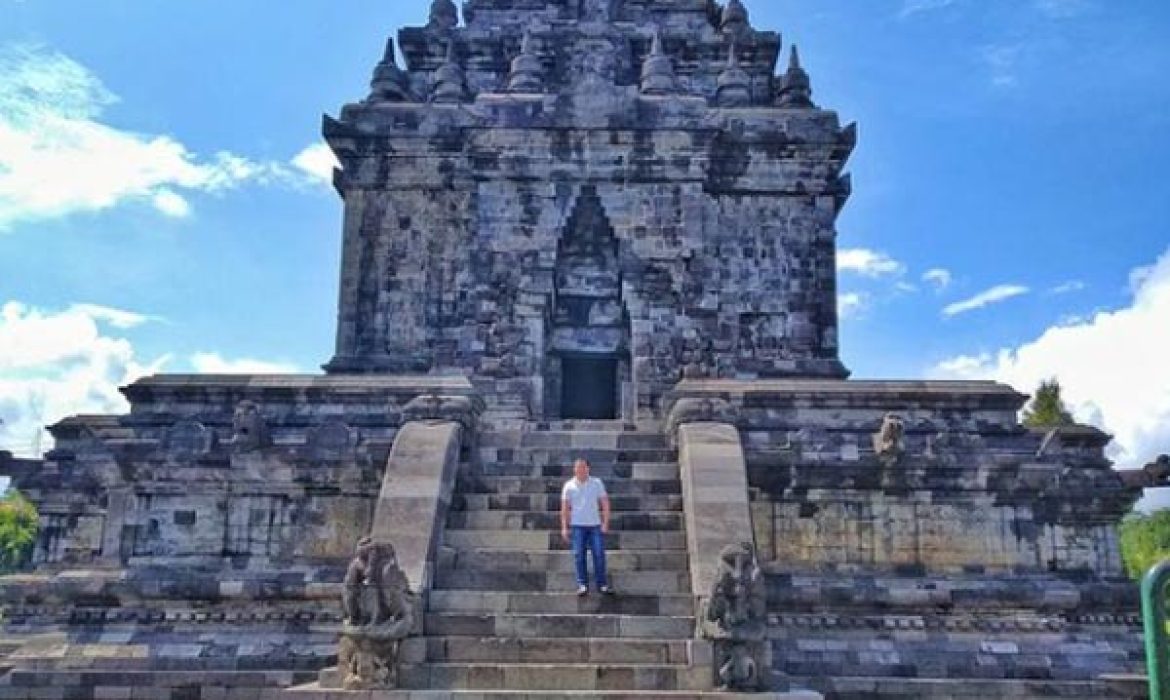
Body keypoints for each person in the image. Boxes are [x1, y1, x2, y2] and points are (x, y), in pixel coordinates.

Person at [560, 458, 614, 596]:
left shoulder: (596, 483)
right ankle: (582, 584)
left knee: (599, 554)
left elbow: (605, 503)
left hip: (594, 525)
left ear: (588, 468)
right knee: (579, 555)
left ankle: (602, 584)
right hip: (577, 525)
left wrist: (605, 522)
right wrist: (564, 527)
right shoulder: (569, 485)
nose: (580, 470)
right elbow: (565, 508)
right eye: (577, 467)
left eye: (583, 467)